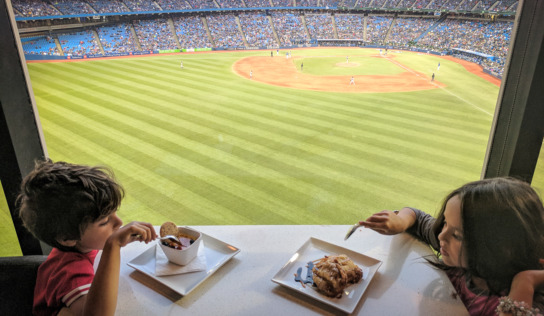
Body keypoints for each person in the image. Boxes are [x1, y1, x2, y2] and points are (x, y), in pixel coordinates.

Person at [360, 177, 544, 316]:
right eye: (446, 222)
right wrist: (400, 221)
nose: (441, 235)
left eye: (457, 235)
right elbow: (417, 217)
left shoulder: (528, 301)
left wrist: (524, 282)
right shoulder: (454, 251)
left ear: (503, 249)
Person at [18, 160, 157, 316]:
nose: (119, 222)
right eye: (104, 221)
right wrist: (113, 245)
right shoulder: (71, 272)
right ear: (68, 238)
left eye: (115, 213)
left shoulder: (81, 246)